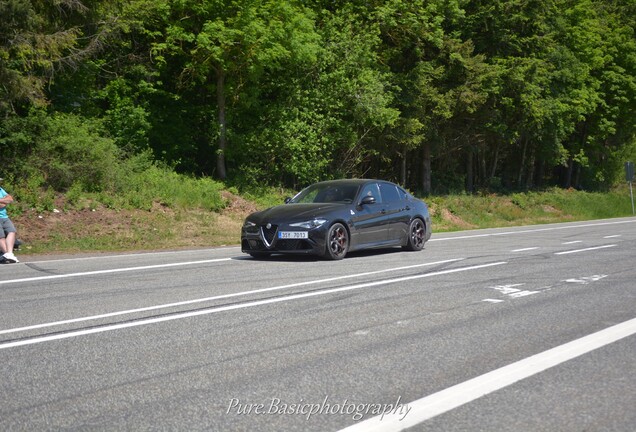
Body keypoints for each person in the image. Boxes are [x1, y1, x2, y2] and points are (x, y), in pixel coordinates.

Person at [0, 178, 19, 263]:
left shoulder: (1, 189)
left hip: (4, 217)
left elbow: (10, 199)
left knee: (12, 231)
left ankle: (9, 254)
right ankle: (6, 254)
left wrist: (2, 201)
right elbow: (2, 205)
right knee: (1, 236)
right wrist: (4, 201)